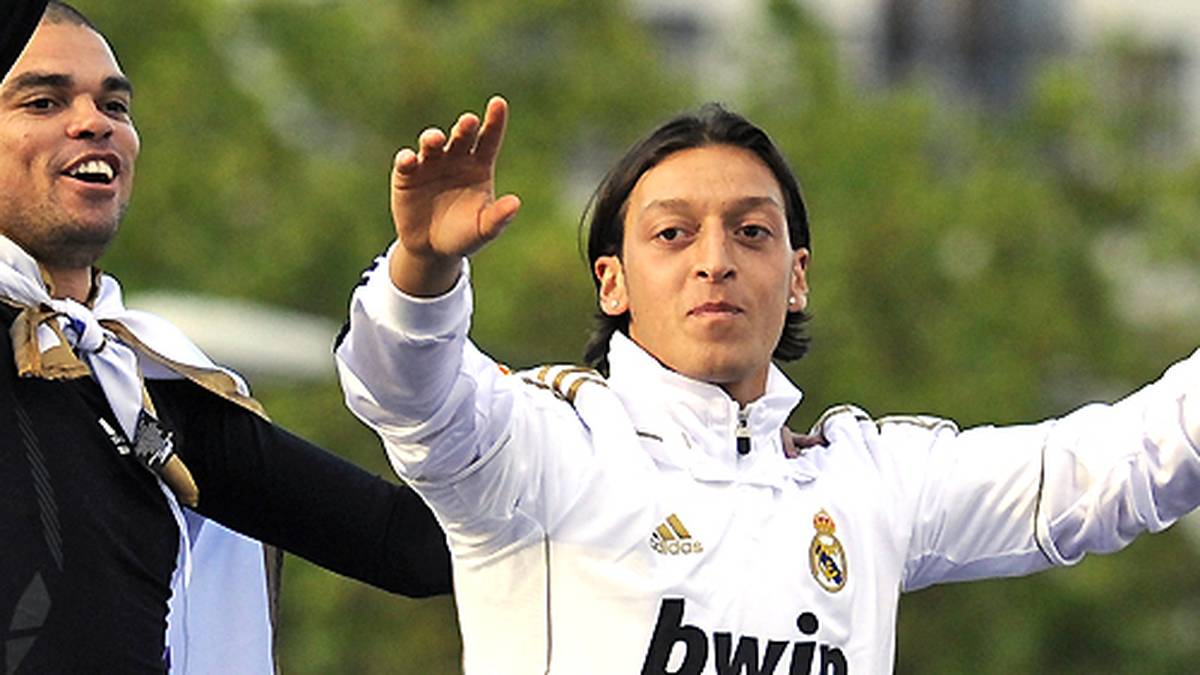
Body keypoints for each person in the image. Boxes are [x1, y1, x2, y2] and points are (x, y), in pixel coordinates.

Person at [335, 94, 1200, 674]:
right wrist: (423, 265)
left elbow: (1109, 471)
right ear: (613, 282)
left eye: (751, 232)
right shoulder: (543, 451)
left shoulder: (867, 483)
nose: (715, 261)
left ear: (795, 278)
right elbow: (409, 395)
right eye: (673, 235)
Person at [0, 3, 451, 673]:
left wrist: (427, 268)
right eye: (42, 100)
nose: (95, 122)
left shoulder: (144, 386)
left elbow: (410, 546)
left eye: (116, 106)